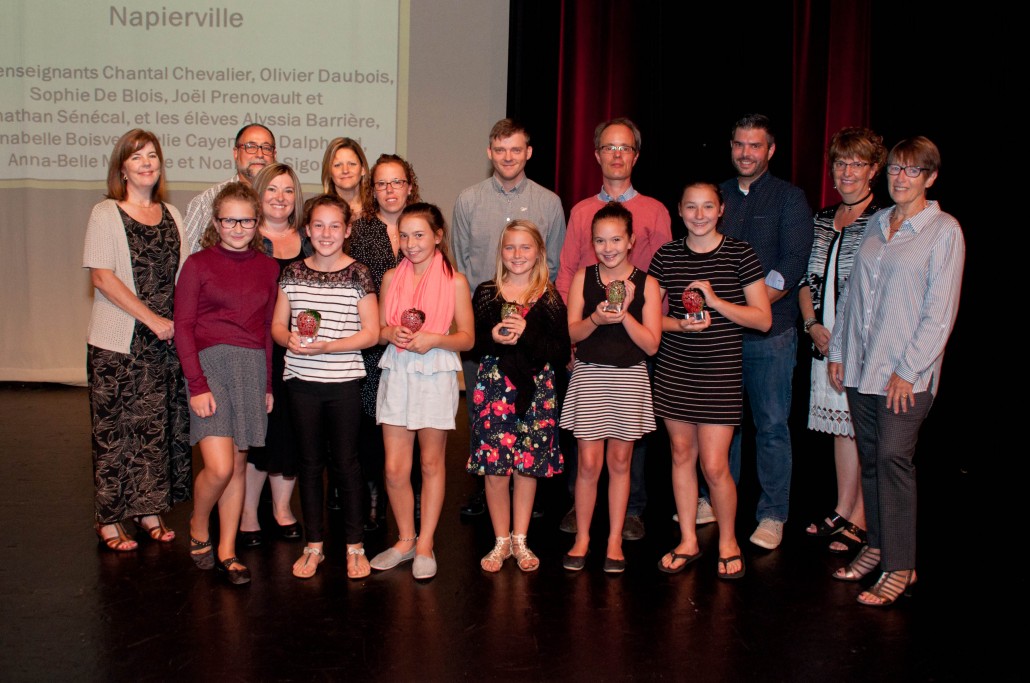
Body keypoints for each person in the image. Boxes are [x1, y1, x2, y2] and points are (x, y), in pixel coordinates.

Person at [828, 136, 964, 607]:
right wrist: (839, 351)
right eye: (895, 171)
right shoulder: (878, 223)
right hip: (862, 368)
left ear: (930, 177)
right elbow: (851, 296)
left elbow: (940, 313)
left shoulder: (943, 230)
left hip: (905, 375)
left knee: (893, 460)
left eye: (911, 171)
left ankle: (901, 566)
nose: (900, 179)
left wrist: (909, 370)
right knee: (871, 458)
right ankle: (878, 546)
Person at [555, 117, 672, 541]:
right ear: (597, 155)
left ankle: (633, 510)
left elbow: (662, 277)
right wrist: (571, 336)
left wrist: (648, 326)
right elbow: (568, 272)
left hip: (635, 343)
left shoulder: (655, 211)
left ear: (635, 156)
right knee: (585, 445)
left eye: (625, 148)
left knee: (629, 438)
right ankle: (579, 506)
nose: (617, 155)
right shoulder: (582, 210)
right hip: (589, 341)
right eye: (609, 147)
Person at [701, 114, 812, 550]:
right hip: (719, 337)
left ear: (770, 151)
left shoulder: (789, 198)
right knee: (722, 425)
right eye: (739, 144)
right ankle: (713, 499)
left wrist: (751, 308)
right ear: (731, 146)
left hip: (772, 335)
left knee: (769, 425)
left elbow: (793, 262)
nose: (746, 153)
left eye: (755, 146)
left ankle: (772, 513)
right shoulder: (718, 196)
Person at [649, 182, 771, 579]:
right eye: (690, 207)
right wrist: (680, 326)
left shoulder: (741, 253)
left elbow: (763, 319)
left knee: (716, 466)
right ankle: (687, 539)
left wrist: (717, 302)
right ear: (679, 211)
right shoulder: (666, 255)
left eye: (707, 207)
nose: (698, 215)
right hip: (675, 372)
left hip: (719, 375)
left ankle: (728, 541)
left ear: (721, 210)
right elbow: (652, 320)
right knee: (681, 457)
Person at [452, 118, 567, 518]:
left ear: (528, 152)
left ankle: (525, 497)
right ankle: (487, 492)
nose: (507, 157)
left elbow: (552, 264)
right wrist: (479, 326)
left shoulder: (549, 202)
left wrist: (533, 326)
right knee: (480, 417)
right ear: (489, 152)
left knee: (532, 411)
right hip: (485, 331)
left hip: (532, 330)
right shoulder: (468, 200)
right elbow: (461, 264)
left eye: (515, 150)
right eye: (500, 150)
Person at [83, 128, 191, 552]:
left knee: (153, 431)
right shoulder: (105, 212)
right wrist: (152, 319)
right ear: (122, 168)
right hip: (118, 341)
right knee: (114, 430)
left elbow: (181, 277)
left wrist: (178, 324)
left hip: (164, 343)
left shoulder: (173, 215)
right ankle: (108, 519)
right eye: (136, 157)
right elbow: (102, 276)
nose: (146, 162)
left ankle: (148, 510)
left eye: (152, 155)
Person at [175, 182, 280, 585]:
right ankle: (199, 524)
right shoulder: (198, 265)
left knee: (237, 465)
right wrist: (197, 384)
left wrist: (268, 384)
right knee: (218, 468)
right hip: (209, 368)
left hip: (251, 368)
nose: (238, 227)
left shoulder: (268, 268)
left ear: (257, 223)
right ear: (216, 222)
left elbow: (267, 332)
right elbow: (183, 327)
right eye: (229, 220)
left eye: (246, 220)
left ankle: (228, 551)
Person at [271, 194, 379, 580]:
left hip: (344, 383)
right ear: (307, 230)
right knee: (309, 464)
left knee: (347, 464)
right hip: (301, 382)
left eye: (335, 225)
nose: (326, 233)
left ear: (348, 230)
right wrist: (289, 340)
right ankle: (314, 544)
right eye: (318, 225)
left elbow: (370, 334)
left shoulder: (359, 274)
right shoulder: (292, 273)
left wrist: (330, 346)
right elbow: (277, 326)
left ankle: (354, 545)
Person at [369, 203, 475, 580]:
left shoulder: (455, 281)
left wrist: (435, 339)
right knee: (396, 469)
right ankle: (405, 539)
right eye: (404, 235)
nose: (411, 243)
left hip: (434, 373)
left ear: (437, 236)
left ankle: (426, 542)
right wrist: (389, 333)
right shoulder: (388, 278)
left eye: (419, 235)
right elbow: (379, 330)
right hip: (397, 371)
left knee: (431, 464)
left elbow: (467, 339)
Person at [560, 202, 662, 573]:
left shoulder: (648, 282)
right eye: (600, 240)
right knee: (588, 463)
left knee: (621, 463)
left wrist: (625, 315)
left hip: (630, 378)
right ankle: (583, 537)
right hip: (589, 376)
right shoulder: (582, 278)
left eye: (616, 239)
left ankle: (615, 539)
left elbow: (651, 344)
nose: (608, 247)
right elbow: (570, 333)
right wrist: (596, 318)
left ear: (631, 240)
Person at [799, 128, 886, 556]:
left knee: (863, 428)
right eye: (840, 163)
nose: (847, 171)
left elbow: (882, 290)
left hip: (863, 343)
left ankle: (863, 518)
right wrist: (812, 324)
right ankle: (842, 508)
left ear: (874, 169)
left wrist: (852, 341)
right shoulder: (820, 218)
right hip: (824, 338)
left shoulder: (884, 220)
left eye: (857, 163)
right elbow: (804, 279)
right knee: (840, 426)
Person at [466, 220, 569, 572]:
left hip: (538, 392)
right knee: (495, 470)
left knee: (527, 468)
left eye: (525, 247)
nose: (517, 255)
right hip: (494, 388)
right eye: (510, 247)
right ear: (501, 252)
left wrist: (527, 335)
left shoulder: (550, 298)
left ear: (539, 252)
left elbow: (558, 353)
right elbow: (472, 345)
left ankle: (521, 539)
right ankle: (500, 541)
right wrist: (493, 337)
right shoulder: (485, 293)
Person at [349, 153, 423, 530]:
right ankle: (374, 499)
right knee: (372, 423)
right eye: (381, 183)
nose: (389, 190)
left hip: (418, 347)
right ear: (372, 190)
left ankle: (416, 502)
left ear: (410, 186)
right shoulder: (359, 230)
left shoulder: (425, 225)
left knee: (416, 422)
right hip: (373, 343)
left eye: (397, 182)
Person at [238, 163, 309, 548]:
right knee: (258, 434)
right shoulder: (245, 239)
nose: (280, 198)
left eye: (287, 190)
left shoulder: (310, 239)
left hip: (301, 354)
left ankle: (282, 509)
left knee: (291, 433)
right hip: (256, 351)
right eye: (272, 190)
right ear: (258, 195)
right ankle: (250, 512)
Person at [183, 124, 276, 253]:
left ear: (274, 155)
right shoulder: (206, 200)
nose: (260, 154)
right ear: (236, 153)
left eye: (266, 148)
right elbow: (184, 257)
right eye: (250, 147)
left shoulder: (282, 203)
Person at [321, 137, 372, 225]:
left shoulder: (378, 209)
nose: (345, 170)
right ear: (329, 172)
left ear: (363, 169)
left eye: (352, 164)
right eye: (337, 165)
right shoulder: (318, 211)